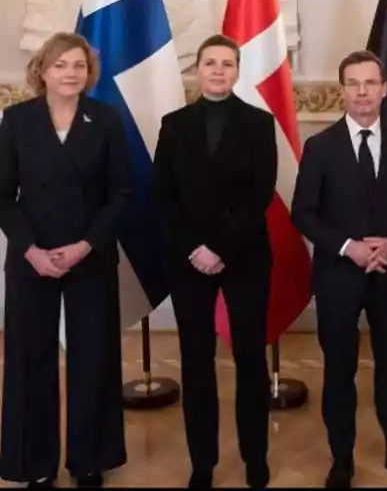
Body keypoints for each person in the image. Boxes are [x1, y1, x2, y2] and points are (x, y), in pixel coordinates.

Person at [292, 50, 387, 489]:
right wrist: (347, 247)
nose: (361, 92)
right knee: (340, 371)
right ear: (342, 91)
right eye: (352, 84)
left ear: (384, 88)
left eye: (369, 83)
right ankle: (342, 459)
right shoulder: (320, 147)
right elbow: (304, 212)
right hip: (339, 276)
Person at [0, 33, 132, 489]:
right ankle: (33, 464)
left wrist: (84, 245)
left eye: (78, 65)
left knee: (93, 357)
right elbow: (2, 197)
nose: (70, 73)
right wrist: (31, 251)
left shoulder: (108, 119)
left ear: (88, 72)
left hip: (89, 257)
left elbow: (121, 193)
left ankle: (89, 461)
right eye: (60, 66)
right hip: (31, 259)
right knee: (28, 360)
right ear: (42, 71)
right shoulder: (16, 120)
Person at [152, 34, 276, 489]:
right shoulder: (174, 124)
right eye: (210, 63)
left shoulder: (260, 124)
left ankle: (255, 458)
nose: (219, 70)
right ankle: (202, 463)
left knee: (250, 361)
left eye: (227, 63)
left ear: (237, 71)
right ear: (197, 70)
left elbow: (260, 193)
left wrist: (221, 248)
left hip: (244, 256)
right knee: (196, 362)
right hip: (188, 260)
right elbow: (162, 196)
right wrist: (195, 249)